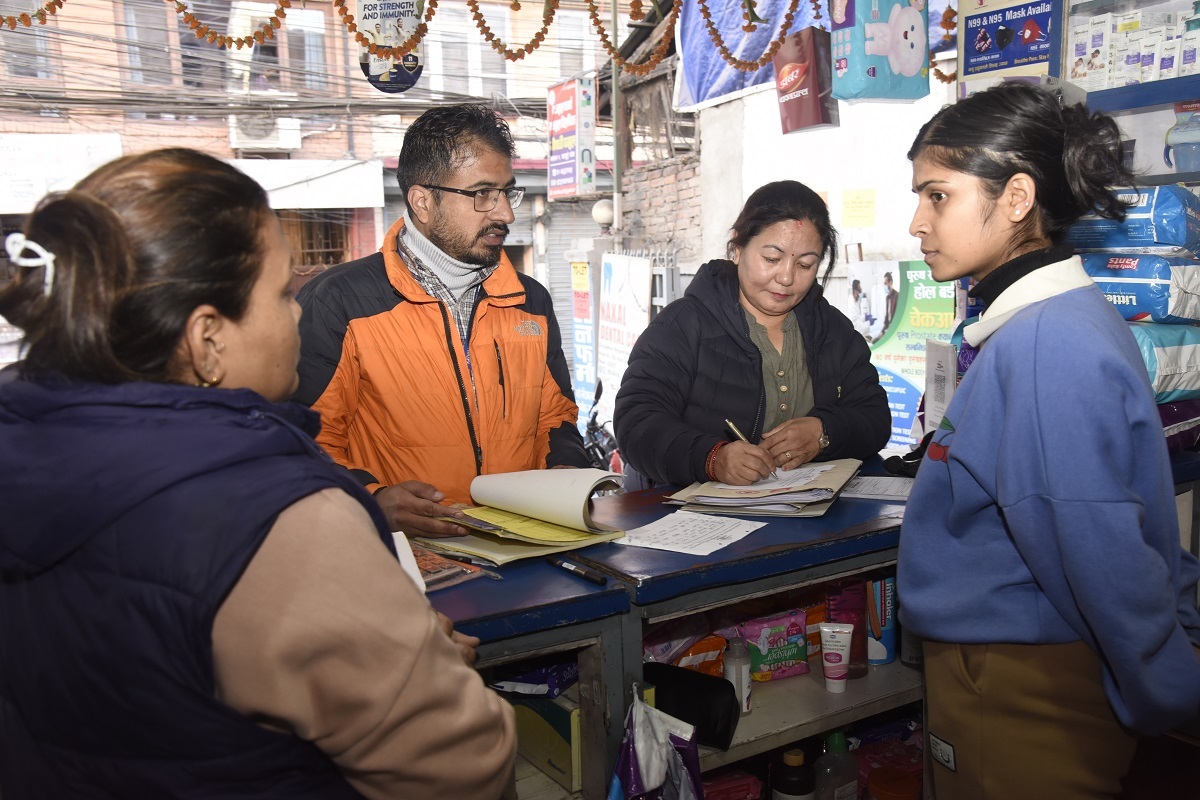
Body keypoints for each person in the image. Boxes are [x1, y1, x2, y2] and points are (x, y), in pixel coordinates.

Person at [0, 149, 516, 799]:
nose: (299, 312)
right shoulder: (281, 521)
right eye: (280, 292)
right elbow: (461, 768)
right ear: (207, 339)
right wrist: (423, 663)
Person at [896, 82, 1200, 799]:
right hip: (1031, 669)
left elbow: (1102, 551)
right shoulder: (1064, 318)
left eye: (937, 196)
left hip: (1017, 690)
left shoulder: (1043, 347)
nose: (917, 222)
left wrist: (1165, 685)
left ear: (1016, 197)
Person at [296, 104, 589, 536]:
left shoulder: (531, 301)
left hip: (526, 544)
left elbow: (556, 418)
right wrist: (372, 500)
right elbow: (303, 440)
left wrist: (569, 477)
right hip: (405, 557)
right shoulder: (340, 301)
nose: (505, 213)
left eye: (508, 192)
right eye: (482, 194)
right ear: (422, 201)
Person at [613, 180, 890, 489]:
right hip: (699, 521)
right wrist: (711, 459)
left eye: (805, 264)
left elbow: (875, 417)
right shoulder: (683, 325)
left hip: (804, 514)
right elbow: (635, 423)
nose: (786, 277)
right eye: (771, 258)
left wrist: (824, 432)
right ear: (738, 248)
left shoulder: (832, 330)